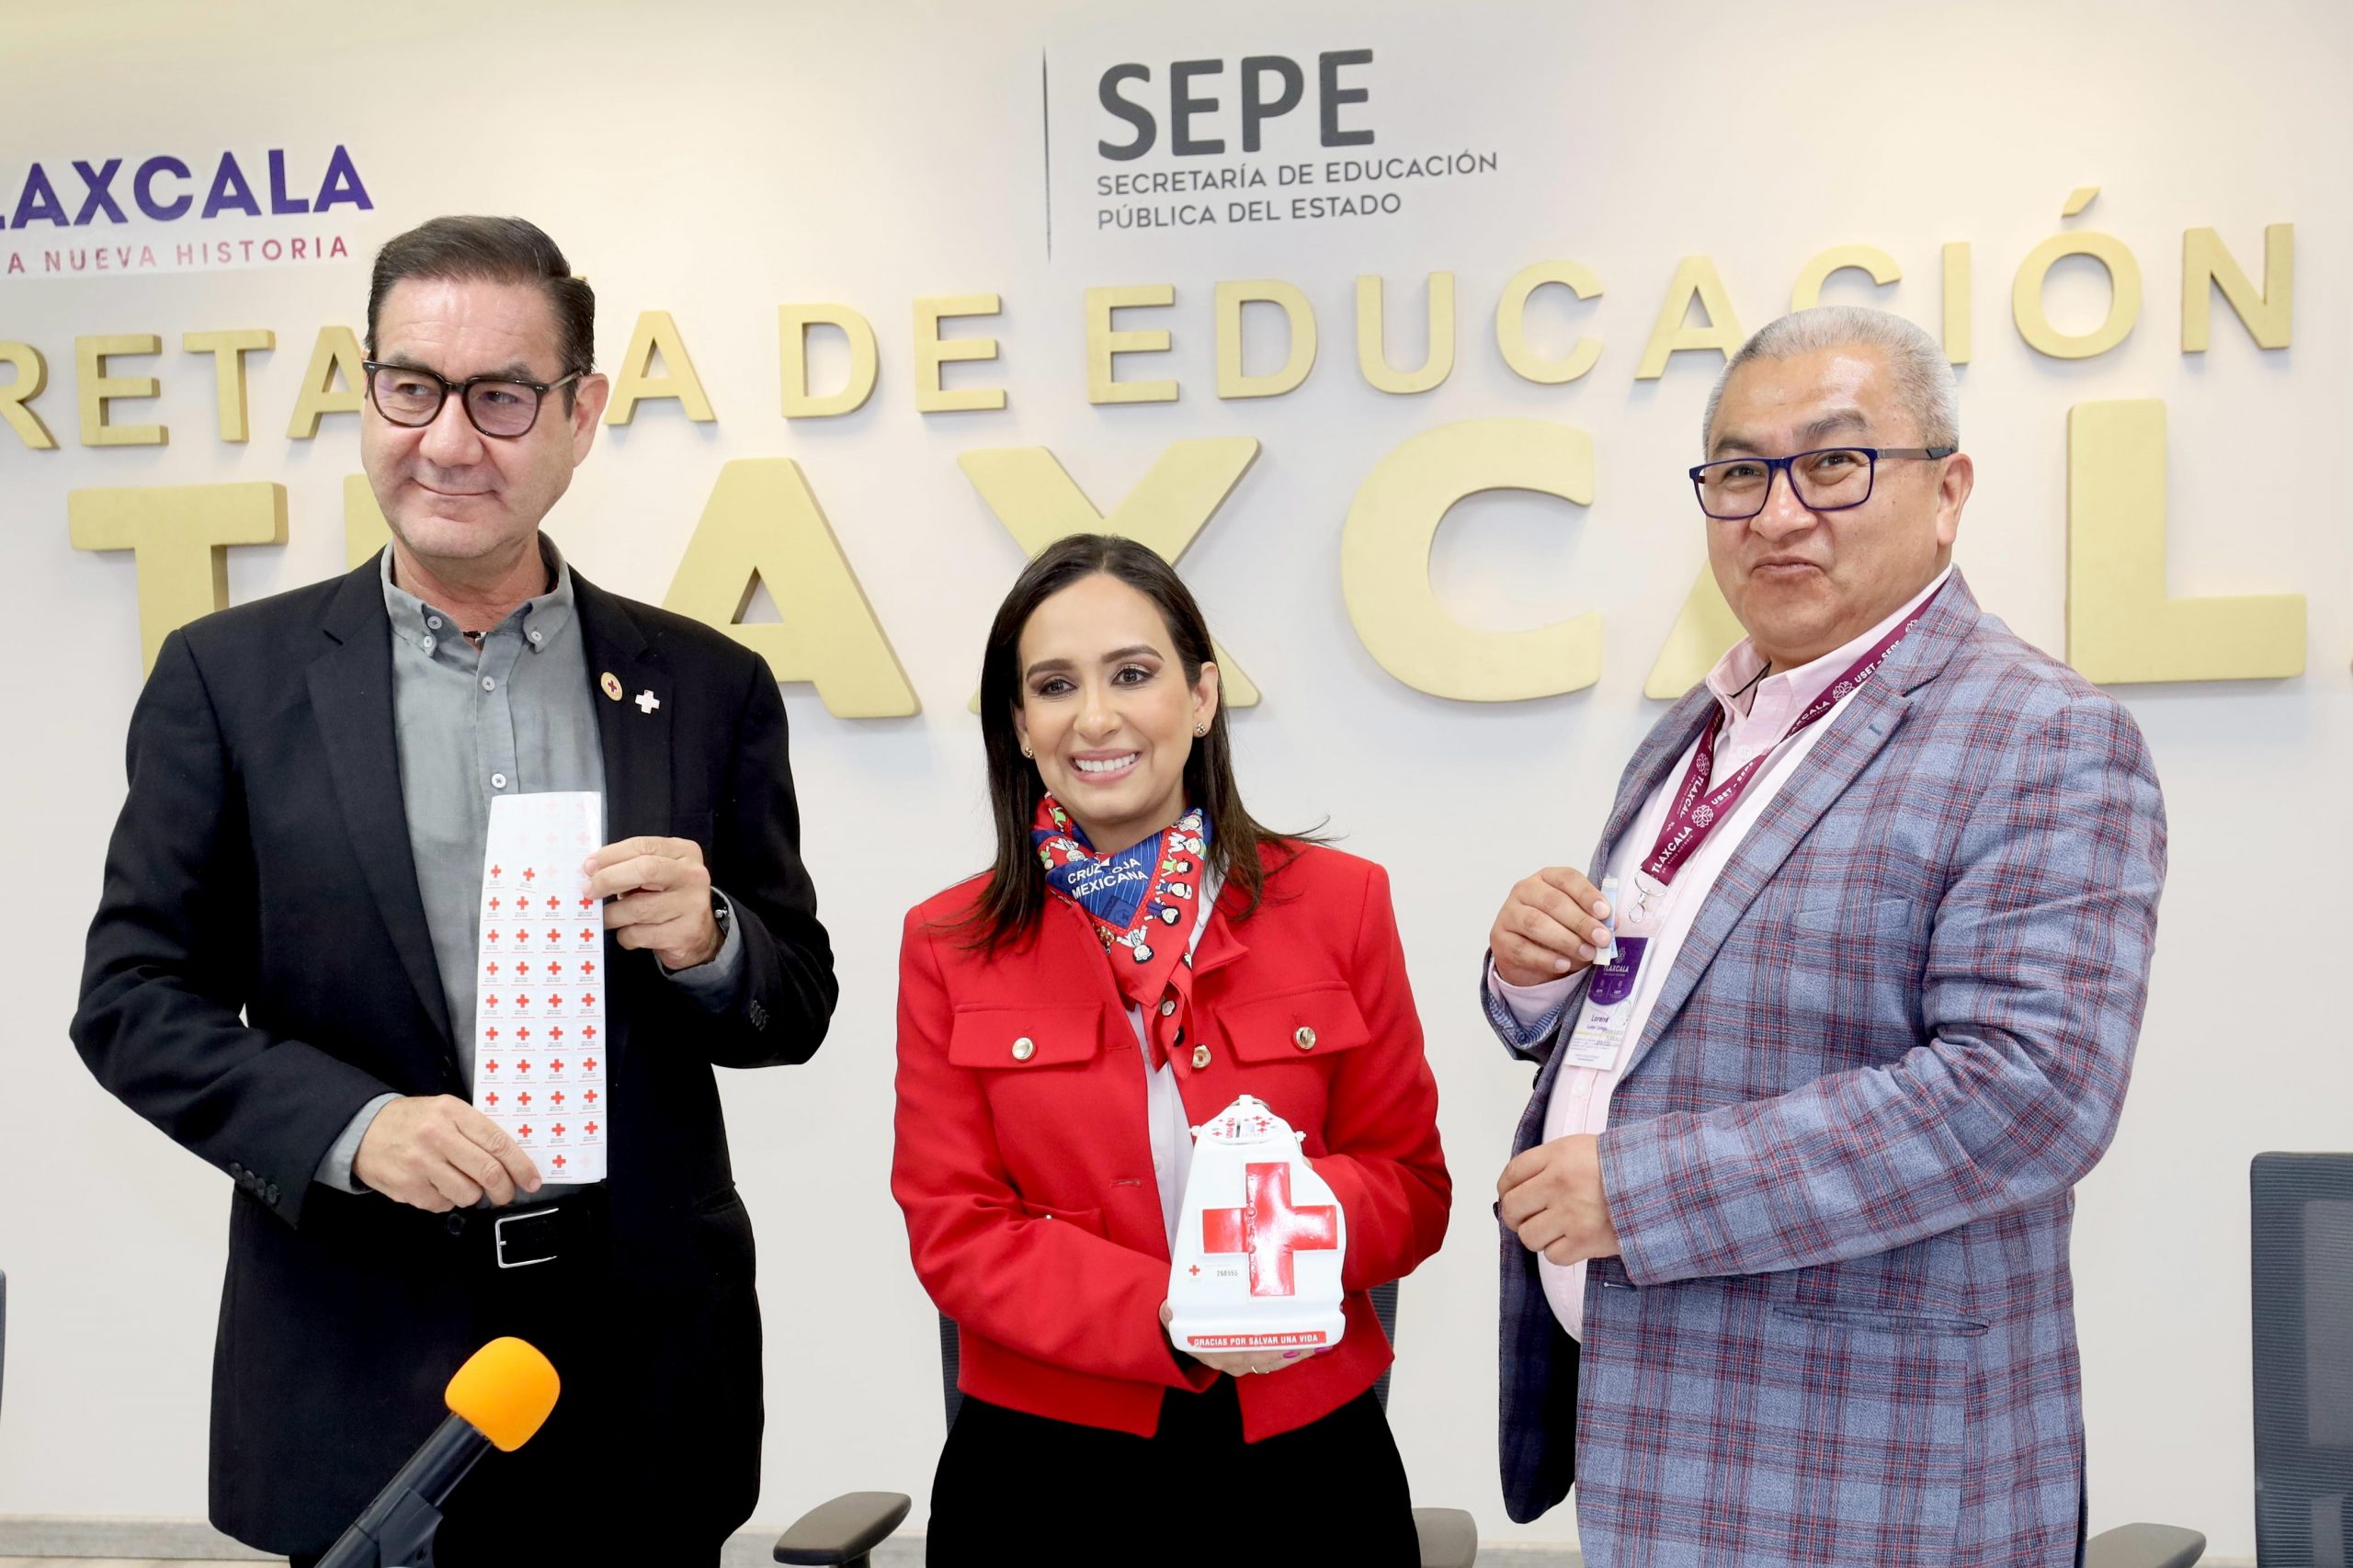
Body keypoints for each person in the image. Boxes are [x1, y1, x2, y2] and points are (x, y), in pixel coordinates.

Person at [71, 216, 837, 1565]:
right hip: (359, 1360)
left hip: (642, 1364)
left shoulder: (706, 683)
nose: (447, 440)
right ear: (365, 390)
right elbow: (133, 1000)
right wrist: (352, 1124)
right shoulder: (228, 679)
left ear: (581, 414)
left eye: (501, 397)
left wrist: (715, 940)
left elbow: (795, 1000)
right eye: (411, 386)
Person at [1480, 306, 2166, 1567]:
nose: (1779, 512)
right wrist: (1533, 983)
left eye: (1834, 463)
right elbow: (1661, 1013)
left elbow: (2029, 1094)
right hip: (1656, 1443)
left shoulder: (2040, 732)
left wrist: (1636, 1189)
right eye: (1741, 473)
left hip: (1864, 1480)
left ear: (1948, 492)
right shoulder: (1707, 721)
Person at [892, 534, 1450, 1566]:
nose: (1095, 718)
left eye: (1133, 673)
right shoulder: (948, 941)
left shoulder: (1341, 904)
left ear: (1200, 697)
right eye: (1055, 685)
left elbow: (1411, 1187)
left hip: (1304, 1457)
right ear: (1018, 725)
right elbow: (954, 1229)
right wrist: (1177, 1310)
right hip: (1040, 1469)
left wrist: (1272, 1247)